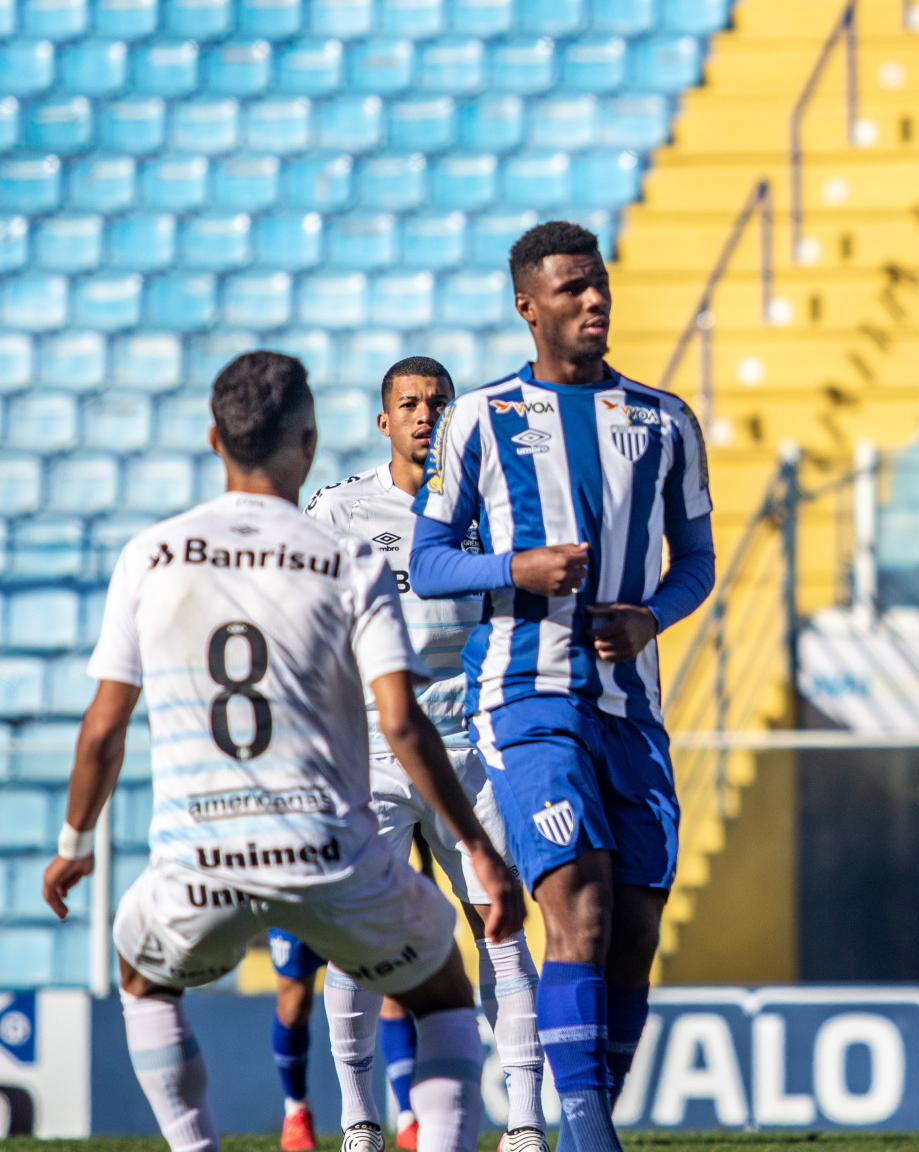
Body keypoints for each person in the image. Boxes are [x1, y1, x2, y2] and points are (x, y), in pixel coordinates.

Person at [40, 350, 522, 1152]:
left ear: (213, 440)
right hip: (325, 849)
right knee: (442, 989)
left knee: (144, 981)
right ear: (308, 440)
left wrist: (73, 847)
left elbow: (102, 730)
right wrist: (475, 843)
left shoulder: (152, 555)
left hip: (203, 855)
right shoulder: (347, 556)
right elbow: (402, 723)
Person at [409, 221, 716, 1152]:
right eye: (573, 289)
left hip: (630, 708)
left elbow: (696, 562)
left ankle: (589, 1123)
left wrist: (652, 617)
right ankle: (585, 1140)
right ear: (528, 306)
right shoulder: (479, 420)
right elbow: (427, 563)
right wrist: (517, 567)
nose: (594, 302)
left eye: (601, 286)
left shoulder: (663, 420)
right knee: (575, 897)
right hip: (524, 695)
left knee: (634, 927)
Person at [304, 356, 546, 1152]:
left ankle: (526, 1123)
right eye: (409, 404)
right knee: (357, 933)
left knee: (499, 923)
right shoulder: (340, 511)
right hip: (370, 749)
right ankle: (360, 1121)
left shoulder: (486, 508)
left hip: (465, 747)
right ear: (384, 422)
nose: (425, 415)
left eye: (439, 403)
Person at [263, 927, 354, 1151]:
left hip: (351, 898)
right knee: (294, 1005)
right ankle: (296, 1109)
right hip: (296, 901)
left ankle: (407, 1118)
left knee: (389, 989)